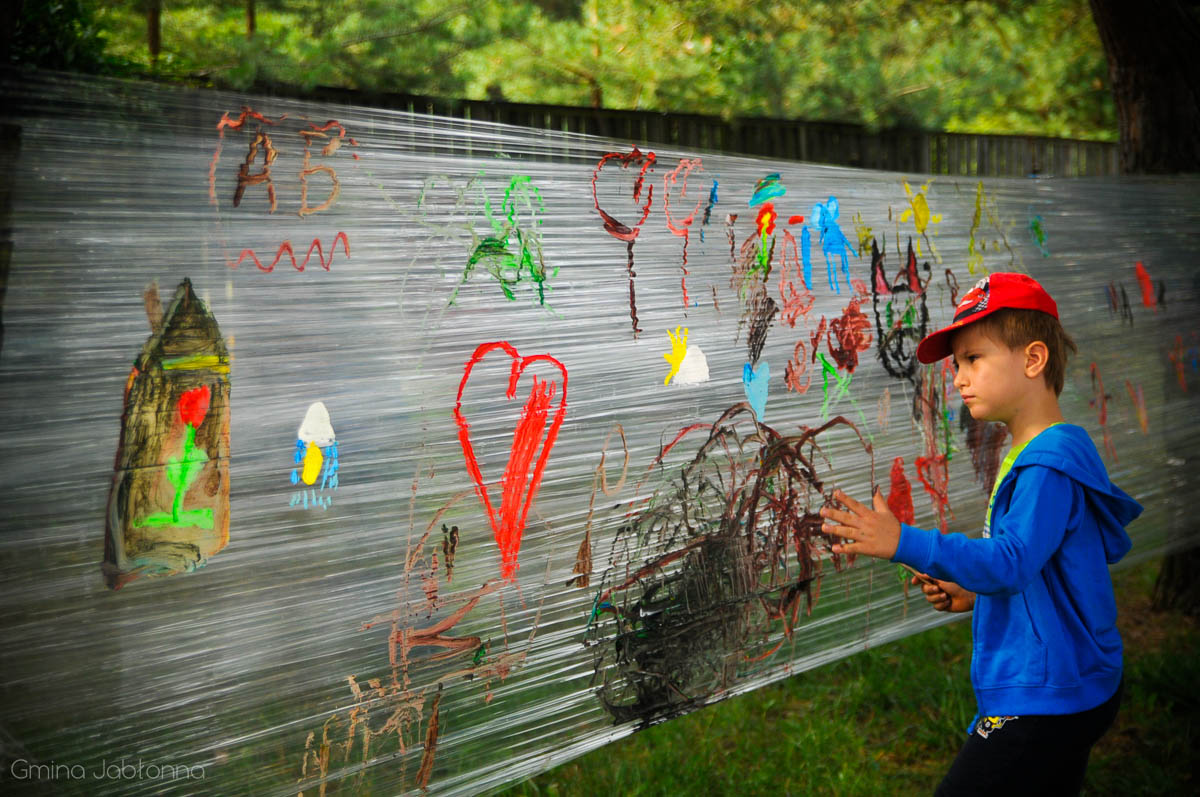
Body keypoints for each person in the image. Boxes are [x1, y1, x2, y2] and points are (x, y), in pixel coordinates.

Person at [818, 272, 1142, 795]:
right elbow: (1037, 566)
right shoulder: (1034, 453)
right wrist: (975, 591)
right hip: (1072, 683)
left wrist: (903, 540)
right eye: (957, 364)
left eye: (974, 359)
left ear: (1033, 360)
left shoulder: (1047, 466)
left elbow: (1011, 560)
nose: (959, 377)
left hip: (1044, 697)